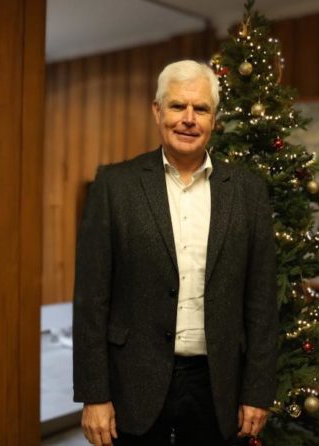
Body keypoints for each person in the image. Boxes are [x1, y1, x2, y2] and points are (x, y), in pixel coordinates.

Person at [73, 60, 278, 446]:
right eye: (177, 106)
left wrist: (257, 392)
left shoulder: (247, 191)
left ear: (214, 119)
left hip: (217, 385)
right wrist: (94, 394)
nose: (188, 119)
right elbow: (91, 299)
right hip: (132, 380)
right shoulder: (115, 186)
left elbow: (262, 301)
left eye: (200, 109)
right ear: (157, 111)